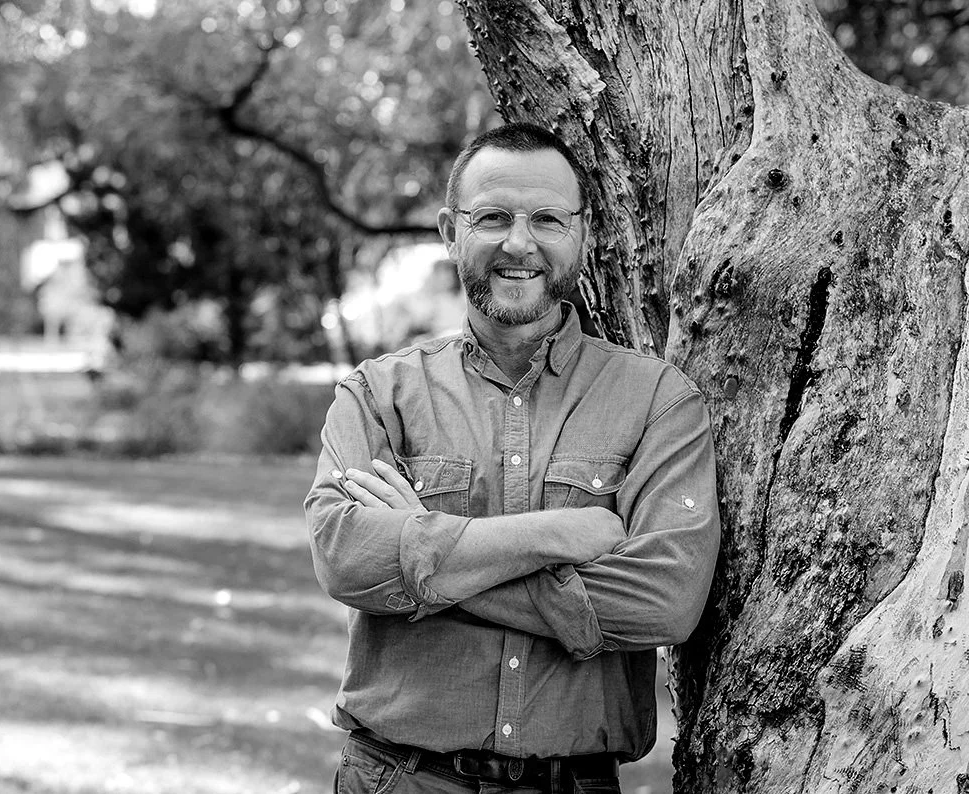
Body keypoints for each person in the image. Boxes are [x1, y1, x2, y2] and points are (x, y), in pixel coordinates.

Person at [305, 122, 720, 794]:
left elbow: (664, 601)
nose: (519, 243)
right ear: (451, 232)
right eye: (493, 217)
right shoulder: (379, 394)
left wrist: (428, 567)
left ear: (583, 233)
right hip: (401, 779)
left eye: (547, 219)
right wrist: (557, 535)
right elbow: (346, 558)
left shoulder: (658, 401)